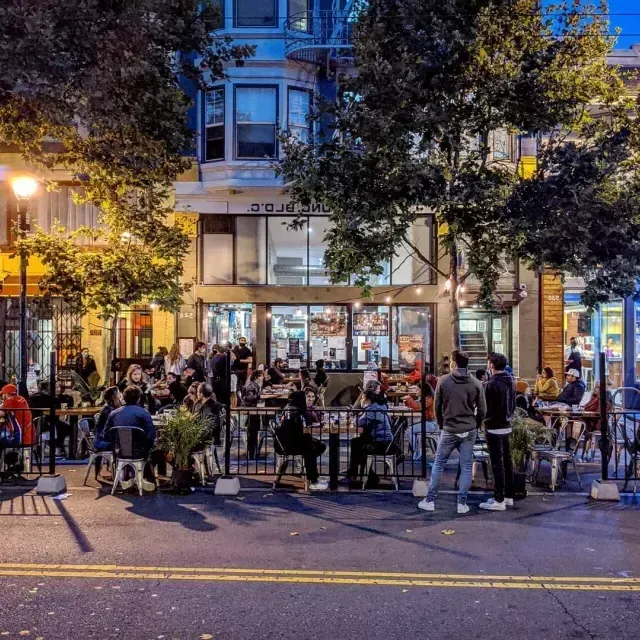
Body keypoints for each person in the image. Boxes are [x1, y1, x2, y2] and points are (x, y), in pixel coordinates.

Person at [418, 350, 486, 515]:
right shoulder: (476, 383)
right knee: (466, 466)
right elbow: (482, 410)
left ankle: (430, 500)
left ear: (454, 363)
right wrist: (475, 425)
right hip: (469, 428)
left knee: (439, 464)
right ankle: (462, 503)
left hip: (449, 428)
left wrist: (442, 424)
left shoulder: (443, 381)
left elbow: (437, 406)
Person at [479, 352, 516, 512]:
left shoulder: (491, 384)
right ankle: (508, 496)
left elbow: (486, 408)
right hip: (507, 424)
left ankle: (498, 499)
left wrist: (483, 420)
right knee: (507, 462)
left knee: (497, 464)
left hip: (494, 427)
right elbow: (513, 403)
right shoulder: (510, 381)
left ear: (491, 365)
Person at [106, 385, 156, 491]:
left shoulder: (114, 413)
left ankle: (130, 478)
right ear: (139, 398)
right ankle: (149, 480)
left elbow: (107, 434)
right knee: (156, 452)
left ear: (124, 398)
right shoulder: (144, 413)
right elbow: (151, 435)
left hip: (120, 451)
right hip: (140, 452)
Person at [276, 391, 328, 491]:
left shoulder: (288, 408)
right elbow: (303, 428)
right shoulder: (297, 412)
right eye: (305, 397)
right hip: (293, 445)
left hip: (284, 443)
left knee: (315, 446)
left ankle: (310, 472)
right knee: (311, 449)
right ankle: (313, 480)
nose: (306, 400)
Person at [345, 389, 397, 485]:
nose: (360, 401)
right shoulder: (378, 407)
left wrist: (355, 416)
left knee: (357, 446)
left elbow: (359, 423)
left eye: (362, 398)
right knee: (356, 442)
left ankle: (359, 475)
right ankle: (360, 475)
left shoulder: (371, 410)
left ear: (368, 401)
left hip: (381, 444)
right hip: (385, 441)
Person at [404, 382, 438, 461]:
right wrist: (408, 401)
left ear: (423, 390)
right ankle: (418, 451)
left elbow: (418, 407)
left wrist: (409, 399)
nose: (415, 391)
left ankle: (418, 451)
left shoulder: (429, 398)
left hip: (433, 424)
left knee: (409, 431)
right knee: (412, 431)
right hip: (429, 423)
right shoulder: (425, 398)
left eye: (417, 389)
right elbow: (416, 405)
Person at [0, 383, 35, 450]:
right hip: (29, 435)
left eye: (2, 394)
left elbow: (1, 413)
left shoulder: (10, 400)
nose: (1, 396)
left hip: (19, 437)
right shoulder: (21, 399)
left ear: (6, 394)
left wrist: (3, 404)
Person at [243, 370, 264, 459]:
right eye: (261, 376)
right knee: (252, 431)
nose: (263, 377)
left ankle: (254, 452)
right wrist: (260, 396)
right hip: (251, 409)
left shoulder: (256, 385)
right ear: (256, 377)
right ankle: (252, 453)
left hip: (254, 409)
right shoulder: (251, 385)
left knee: (254, 430)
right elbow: (249, 398)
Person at [194, 383, 222, 447]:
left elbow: (199, 424)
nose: (197, 394)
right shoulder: (215, 404)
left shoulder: (206, 407)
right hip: (214, 437)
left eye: (198, 392)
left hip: (206, 438)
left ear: (202, 394)